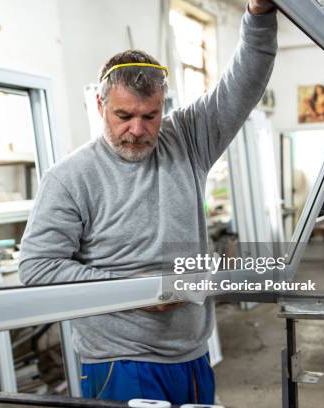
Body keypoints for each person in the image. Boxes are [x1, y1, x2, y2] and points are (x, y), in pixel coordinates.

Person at [19, 0, 277, 404]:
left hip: (192, 353)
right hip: (119, 361)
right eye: (124, 116)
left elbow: (243, 84)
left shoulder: (188, 140)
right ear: (100, 105)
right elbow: (37, 267)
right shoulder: (70, 178)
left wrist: (259, 16)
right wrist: (136, 290)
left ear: (163, 107)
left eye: (150, 116)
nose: (137, 130)